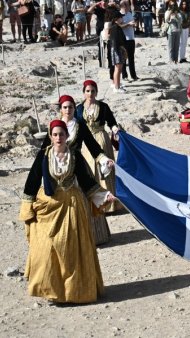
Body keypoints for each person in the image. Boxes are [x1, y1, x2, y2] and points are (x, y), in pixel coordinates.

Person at [19, 119, 115, 303]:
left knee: (72, 250)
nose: (58, 138)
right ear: (50, 136)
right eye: (54, 135)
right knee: (46, 248)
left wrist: (103, 196)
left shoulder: (75, 156)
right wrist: (27, 206)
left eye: (61, 134)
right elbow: (32, 181)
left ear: (67, 136)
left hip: (72, 205)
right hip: (49, 206)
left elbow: (87, 182)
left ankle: (74, 292)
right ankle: (51, 290)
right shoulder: (43, 156)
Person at [40, 95, 115, 244]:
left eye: (71, 107)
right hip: (58, 170)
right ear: (61, 109)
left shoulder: (80, 125)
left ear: (75, 108)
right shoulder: (55, 127)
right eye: (65, 107)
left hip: (78, 167)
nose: (68, 110)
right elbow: (44, 150)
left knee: (85, 198)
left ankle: (92, 236)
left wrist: (104, 159)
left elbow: (92, 145)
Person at [76, 80, 122, 213]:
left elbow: (112, 122)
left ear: (97, 92)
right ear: (84, 93)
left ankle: (109, 205)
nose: (90, 94)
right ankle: (94, 204)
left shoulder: (103, 106)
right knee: (89, 170)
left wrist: (115, 129)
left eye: (93, 91)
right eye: (87, 91)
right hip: (86, 142)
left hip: (101, 138)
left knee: (105, 170)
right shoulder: (79, 109)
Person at [107, 9, 127, 93]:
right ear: (116, 19)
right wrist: (122, 50)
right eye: (120, 18)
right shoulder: (115, 27)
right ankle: (117, 87)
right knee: (118, 69)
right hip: (117, 49)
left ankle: (117, 85)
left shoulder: (116, 27)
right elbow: (115, 41)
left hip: (117, 49)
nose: (122, 19)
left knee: (117, 69)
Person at [119, 1, 139, 81]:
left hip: (131, 38)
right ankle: (124, 76)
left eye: (128, 4)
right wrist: (128, 24)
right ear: (122, 6)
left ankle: (133, 75)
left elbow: (131, 23)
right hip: (124, 39)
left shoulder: (129, 13)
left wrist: (133, 24)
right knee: (124, 58)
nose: (128, 6)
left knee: (131, 58)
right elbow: (119, 26)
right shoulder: (119, 15)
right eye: (126, 5)